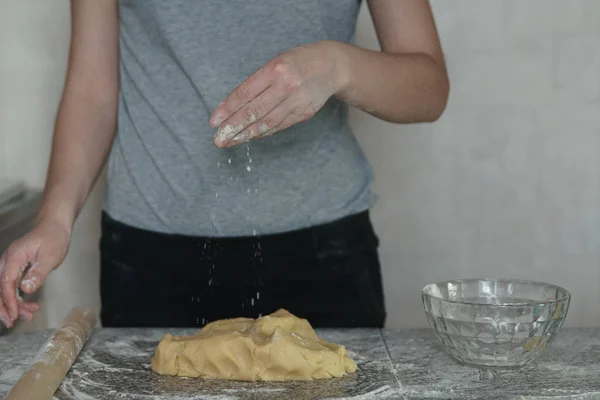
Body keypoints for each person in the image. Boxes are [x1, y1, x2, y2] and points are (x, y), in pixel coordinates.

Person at [0, 0, 449, 329]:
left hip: (321, 252)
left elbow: (429, 87)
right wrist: (54, 220)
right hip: (152, 255)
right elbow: (93, 88)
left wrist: (340, 65)